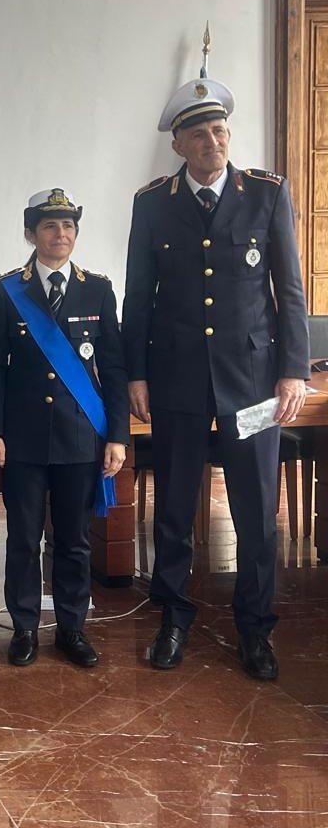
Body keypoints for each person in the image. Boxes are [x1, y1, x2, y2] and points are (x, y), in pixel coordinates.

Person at [122, 77, 310, 680]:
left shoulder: (266, 194)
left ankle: (255, 629)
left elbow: (290, 291)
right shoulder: (154, 203)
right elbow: (138, 298)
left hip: (252, 381)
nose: (213, 142)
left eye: (220, 130)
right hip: (177, 379)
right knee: (174, 508)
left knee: (256, 512)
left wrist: (293, 371)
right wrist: (136, 374)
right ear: (178, 144)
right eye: (199, 134)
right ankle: (174, 618)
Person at [0, 189, 129, 668]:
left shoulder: (97, 289)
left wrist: (118, 435)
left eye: (67, 225)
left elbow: (114, 368)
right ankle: (24, 627)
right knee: (24, 538)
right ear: (31, 234)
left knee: (74, 540)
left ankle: (71, 628)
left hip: (79, 438)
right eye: (49, 225)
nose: (60, 234)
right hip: (23, 440)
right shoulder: (7, 291)